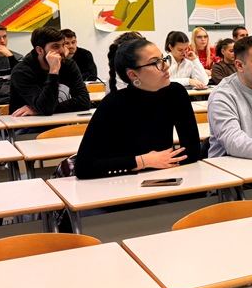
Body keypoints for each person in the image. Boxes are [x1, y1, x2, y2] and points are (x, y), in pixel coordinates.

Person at [74, 36, 201, 180]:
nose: (165, 66)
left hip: (163, 177)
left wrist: (165, 162)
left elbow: (192, 151)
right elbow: (84, 167)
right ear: (133, 74)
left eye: (163, 59)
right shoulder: (112, 104)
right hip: (122, 182)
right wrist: (143, 161)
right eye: (156, 62)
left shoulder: (176, 93)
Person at [9, 26, 90, 116]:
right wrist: (54, 71)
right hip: (26, 122)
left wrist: (38, 109)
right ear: (40, 50)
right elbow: (46, 108)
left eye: (63, 45)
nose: (62, 51)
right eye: (55, 47)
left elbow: (85, 101)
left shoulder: (69, 65)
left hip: (61, 120)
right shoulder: (22, 71)